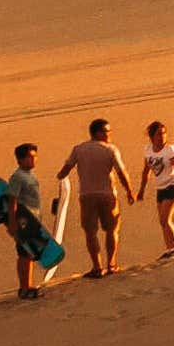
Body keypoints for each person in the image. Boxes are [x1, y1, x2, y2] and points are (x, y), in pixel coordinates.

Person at [54, 118, 136, 278]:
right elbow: (121, 172)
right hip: (107, 195)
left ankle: (97, 267)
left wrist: (60, 178)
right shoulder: (110, 149)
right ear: (98, 132)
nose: (110, 134)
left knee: (91, 232)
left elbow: (65, 170)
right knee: (112, 230)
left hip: (87, 195)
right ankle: (111, 264)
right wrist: (129, 190)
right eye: (107, 131)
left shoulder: (78, 149)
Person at [3, 143, 52, 300]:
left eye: (35, 156)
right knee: (24, 254)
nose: (34, 159)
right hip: (23, 220)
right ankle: (24, 288)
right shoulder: (17, 177)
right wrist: (12, 222)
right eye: (30, 157)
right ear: (20, 159)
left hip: (33, 219)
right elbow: (12, 200)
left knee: (30, 253)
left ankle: (28, 285)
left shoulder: (30, 175)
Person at [137, 120, 174, 260]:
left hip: (172, 185)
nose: (162, 136)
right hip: (160, 188)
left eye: (164, 133)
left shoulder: (170, 150)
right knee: (162, 221)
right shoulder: (148, 150)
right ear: (152, 136)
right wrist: (141, 189)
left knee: (165, 219)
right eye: (159, 134)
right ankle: (170, 248)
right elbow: (146, 171)